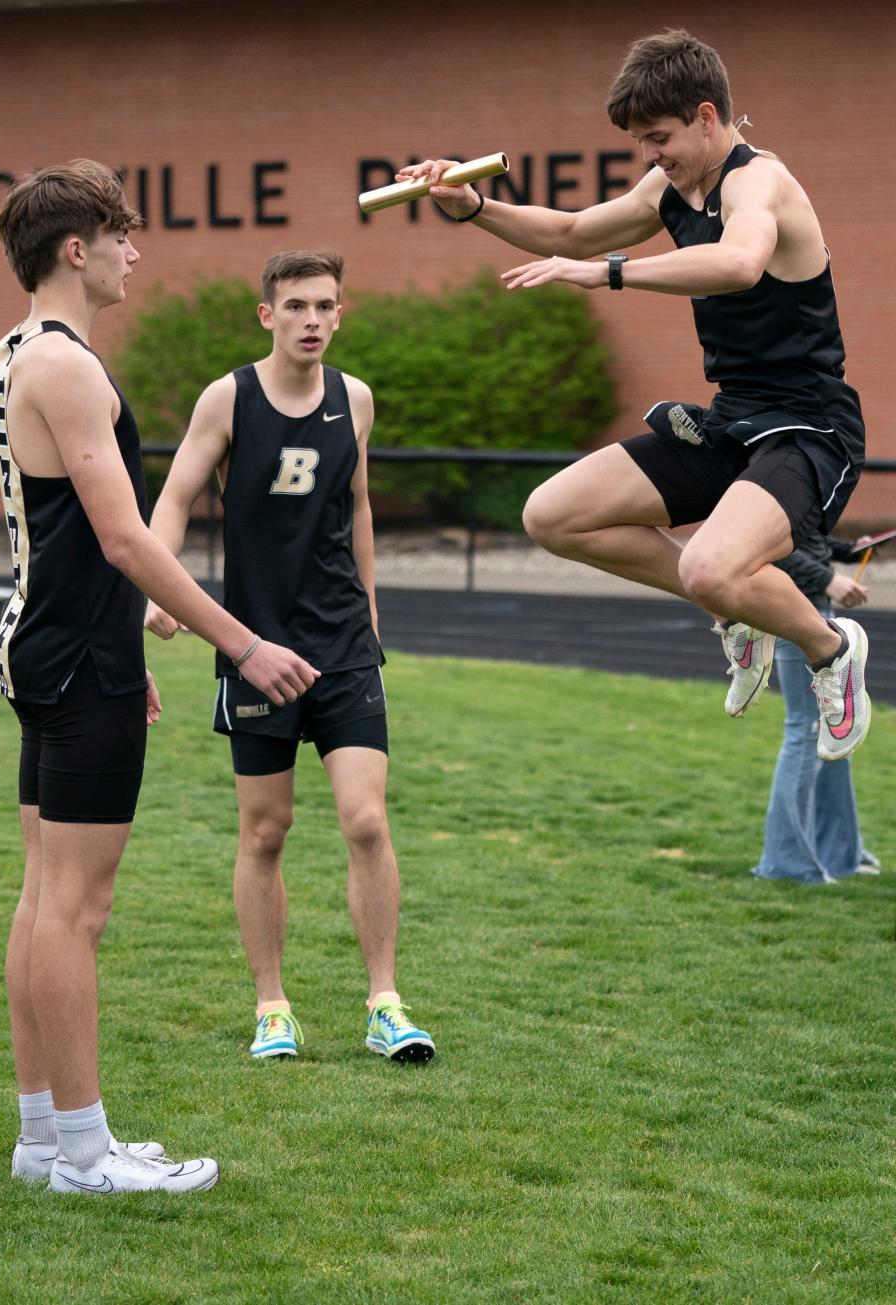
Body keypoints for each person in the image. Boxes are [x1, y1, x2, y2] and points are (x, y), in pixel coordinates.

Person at [400, 29, 870, 762]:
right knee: (552, 515)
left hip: (808, 429)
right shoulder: (670, 188)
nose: (651, 155)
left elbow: (741, 263)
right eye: (641, 142)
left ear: (707, 117)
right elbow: (575, 231)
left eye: (660, 137)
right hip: (733, 419)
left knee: (709, 565)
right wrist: (471, 207)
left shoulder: (759, 182)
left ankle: (831, 648)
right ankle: (732, 613)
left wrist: (612, 274)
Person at [0, 160, 318, 1195]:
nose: (137, 252)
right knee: (74, 910)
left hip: (58, 650)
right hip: (75, 656)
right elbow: (126, 540)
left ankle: (45, 1139)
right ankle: (85, 1152)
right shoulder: (67, 365)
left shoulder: (17, 350)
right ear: (76, 248)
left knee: (46, 897)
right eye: (123, 236)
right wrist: (244, 644)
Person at [145, 249, 435, 1064]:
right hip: (255, 643)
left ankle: (385, 1001)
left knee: (367, 819)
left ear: (341, 314)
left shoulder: (356, 400)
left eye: (327, 305)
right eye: (297, 305)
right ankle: (272, 1005)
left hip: (343, 644)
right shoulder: (228, 399)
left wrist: (372, 613)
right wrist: (158, 590)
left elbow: (359, 504)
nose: (313, 319)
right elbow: (172, 500)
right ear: (267, 315)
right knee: (266, 830)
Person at [753, 535, 879, 885]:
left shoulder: (798, 485)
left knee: (837, 737)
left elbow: (805, 537)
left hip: (814, 615)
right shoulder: (778, 481)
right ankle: (786, 864)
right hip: (797, 617)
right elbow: (771, 543)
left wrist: (850, 548)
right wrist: (827, 580)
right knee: (806, 734)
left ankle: (841, 856)